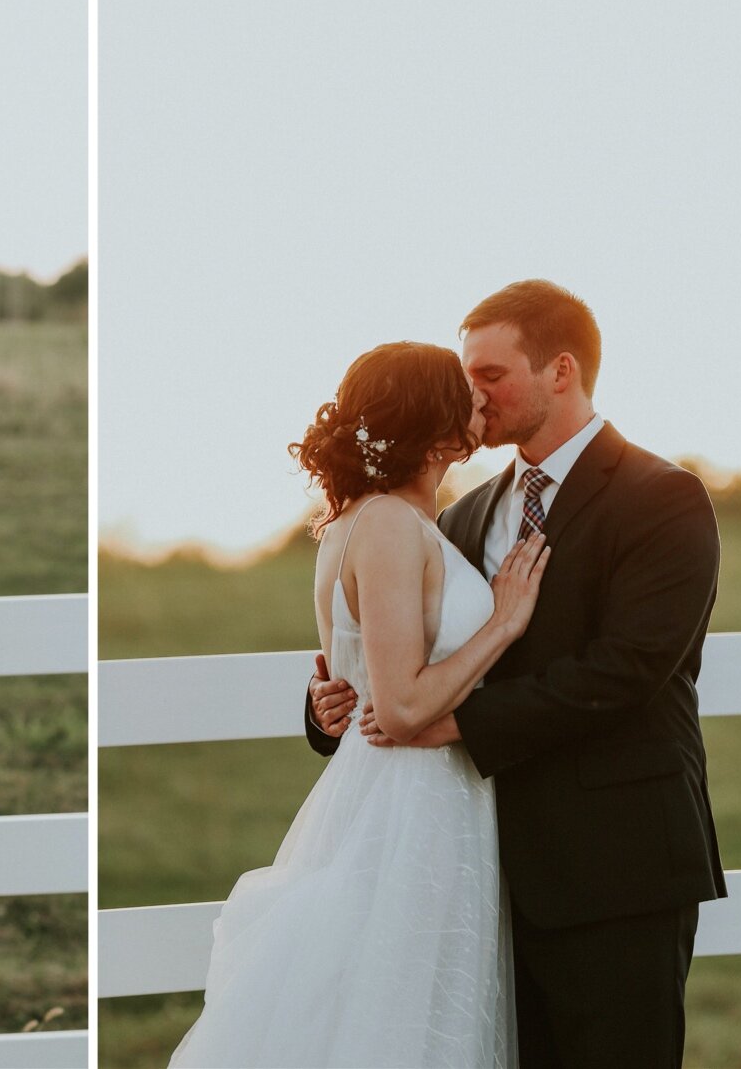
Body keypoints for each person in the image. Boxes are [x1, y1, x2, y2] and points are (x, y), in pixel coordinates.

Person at [308, 280, 726, 1068]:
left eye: (491, 375)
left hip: (615, 868)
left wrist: (453, 722)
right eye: (467, 377)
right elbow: (412, 658)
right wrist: (335, 701)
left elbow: (628, 669)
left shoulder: (662, 499)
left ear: (560, 371)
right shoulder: (458, 517)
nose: (473, 395)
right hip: (483, 869)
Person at [170, 341, 550, 1068]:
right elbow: (403, 706)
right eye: (463, 391)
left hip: (428, 800)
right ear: (434, 427)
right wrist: (504, 622)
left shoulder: (383, 521)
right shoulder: (383, 525)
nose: (479, 399)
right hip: (407, 806)